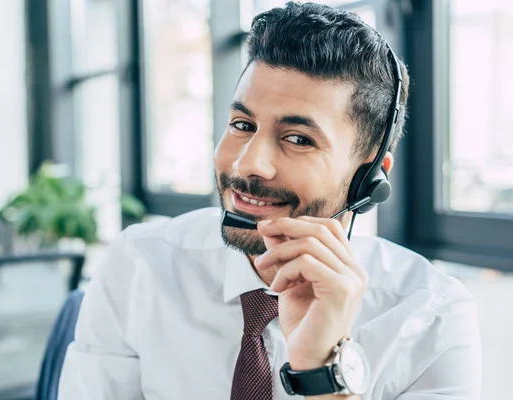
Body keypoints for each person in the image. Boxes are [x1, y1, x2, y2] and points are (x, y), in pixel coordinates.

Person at [58, 2, 482, 399]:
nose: (248, 164)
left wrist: (323, 373)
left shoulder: (431, 317)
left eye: (298, 139)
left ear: (368, 177)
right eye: (242, 124)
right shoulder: (138, 266)